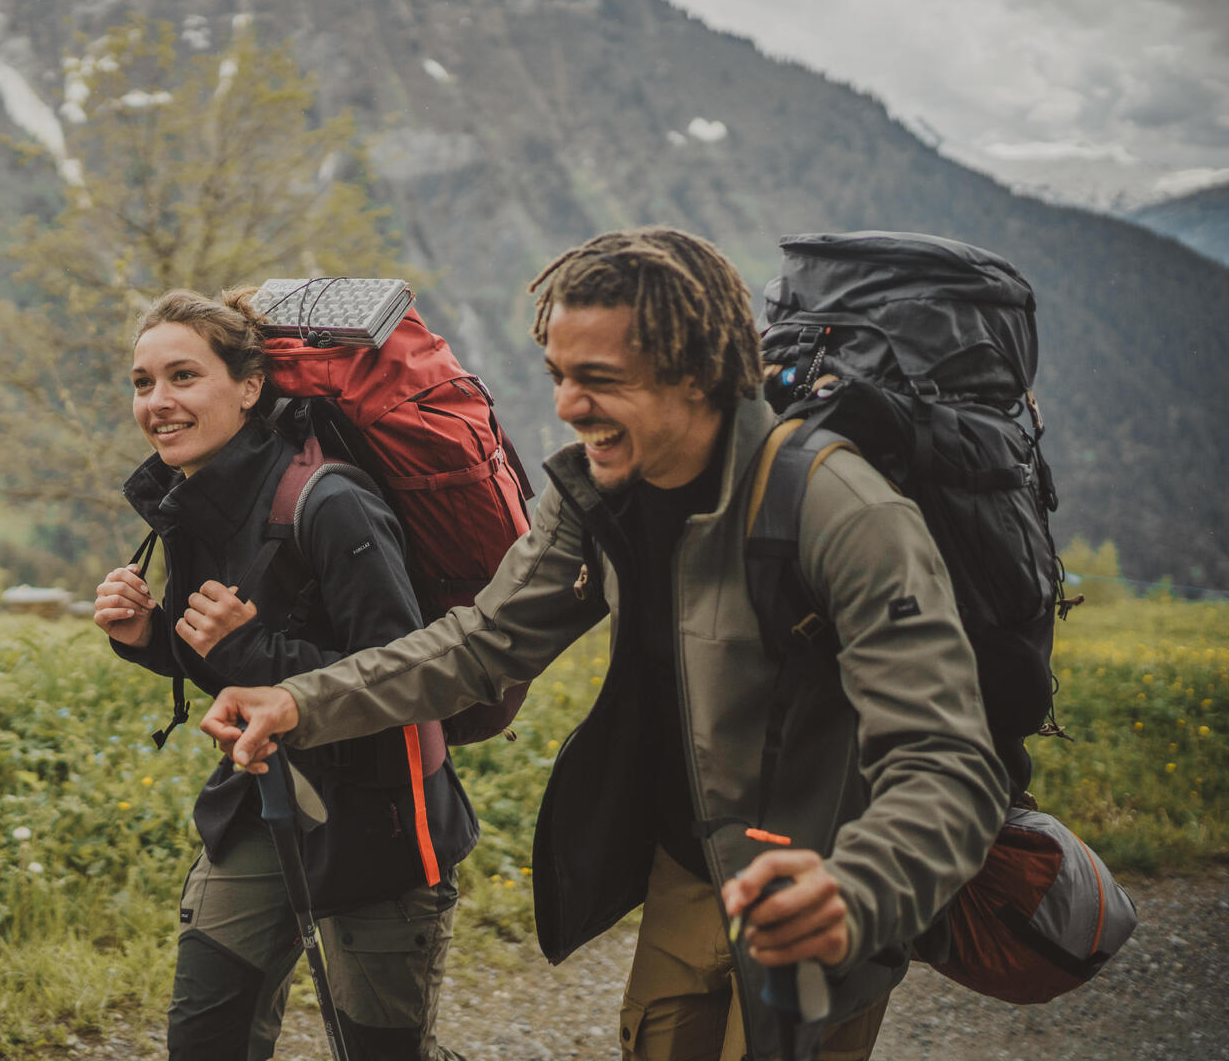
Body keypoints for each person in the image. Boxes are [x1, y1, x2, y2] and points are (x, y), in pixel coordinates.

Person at [201, 229, 1007, 1061]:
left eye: (600, 380)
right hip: (688, 869)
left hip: (828, 882)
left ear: (698, 375)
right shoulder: (595, 493)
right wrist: (301, 699)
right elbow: (481, 645)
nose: (568, 406)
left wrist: (858, 889)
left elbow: (948, 761)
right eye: (558, 375)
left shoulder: (842, 512)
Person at [95, 288, 478, 1061]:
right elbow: (225, 658)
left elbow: (413, 674)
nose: (158, 402)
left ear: (248, 385)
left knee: (381, 1052)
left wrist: (252, 655)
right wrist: (150, 637)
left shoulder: (329, 501)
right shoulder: (195, 497)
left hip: (382, 821)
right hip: (264, 802)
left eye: (182, 377)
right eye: (143, 383)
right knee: (204, 1042)